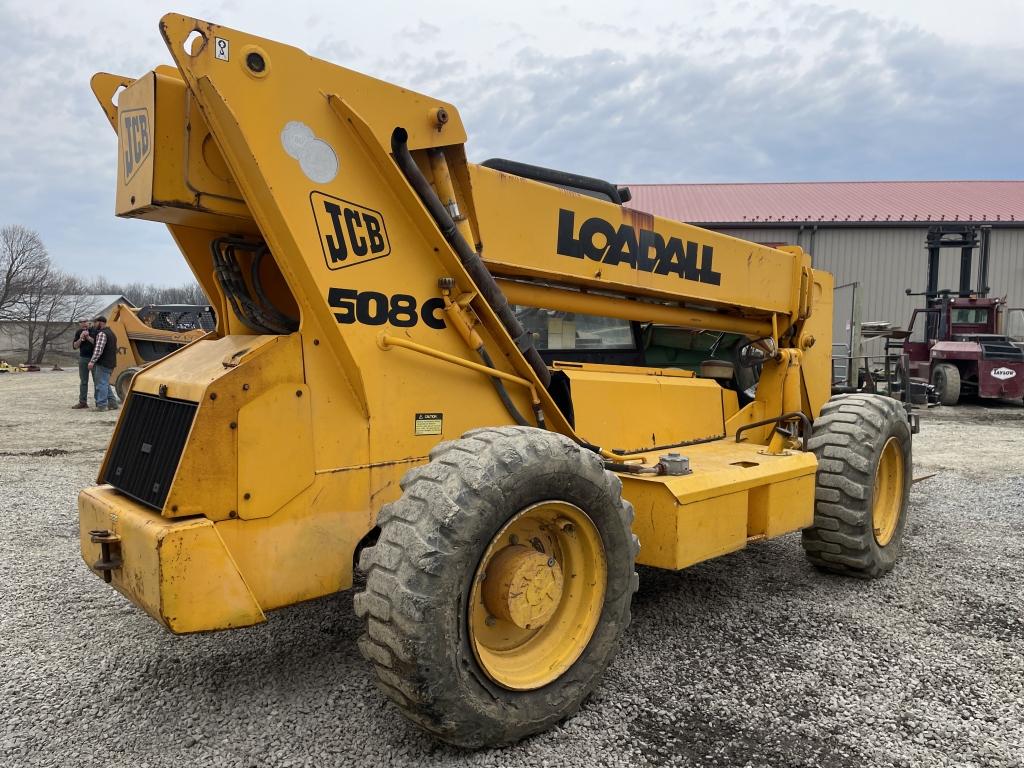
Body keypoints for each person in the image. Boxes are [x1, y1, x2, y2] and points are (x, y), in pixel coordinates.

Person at [87, 316, 120, 412]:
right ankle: (113, 403)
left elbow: (98, 350)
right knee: (105, 383)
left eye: (95, 322)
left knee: (101, 384)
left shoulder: (102, 333)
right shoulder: (112, 333)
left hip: (103, 363)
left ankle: (102, 405)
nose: (94, 325)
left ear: (100, 322)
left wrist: (92, 361)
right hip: (110, 363)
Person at [71, 318, 94, 409]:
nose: (84, 324)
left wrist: (88, 337)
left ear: (89, 322)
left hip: (94, 359)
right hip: (83, 358)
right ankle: (83, 402)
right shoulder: (78, 332)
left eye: (85, 322)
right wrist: (81, 338)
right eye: (82, 322)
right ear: (79, 324)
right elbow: (75, 346)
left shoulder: (94, 331)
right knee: (83, 381)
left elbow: (97, 343)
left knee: (97, 381)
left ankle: (99, 402)